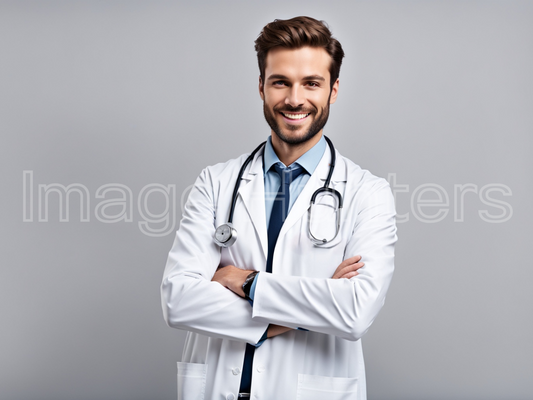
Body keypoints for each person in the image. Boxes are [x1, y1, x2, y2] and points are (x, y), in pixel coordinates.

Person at [161, 16, 397, 400]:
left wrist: (246, 281)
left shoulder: (368, 192)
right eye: (280, 82)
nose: (294, 99)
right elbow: (179, 301)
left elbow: (354, 313)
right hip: (218, 387)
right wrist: (309, 307)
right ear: (261, 87)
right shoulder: (216, 182)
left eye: (311, 83)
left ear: (333, 90)